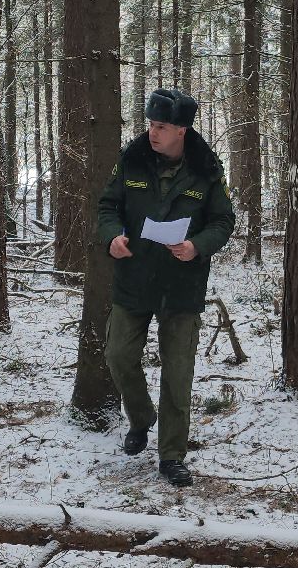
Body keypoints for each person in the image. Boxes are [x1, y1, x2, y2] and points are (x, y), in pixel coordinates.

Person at [95, 88, 235, 487]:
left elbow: (223, 222)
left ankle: (172, 455)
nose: (152, 133)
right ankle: (141, 418)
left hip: (181, 285)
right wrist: (111, 238)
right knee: (118, 355)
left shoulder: (207, 170)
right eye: (150, 125)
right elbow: (108, 206)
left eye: (160, 127)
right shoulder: (133, 160)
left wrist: (196, 246)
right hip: (134, 279)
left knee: (178, 374)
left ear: (181, 130)